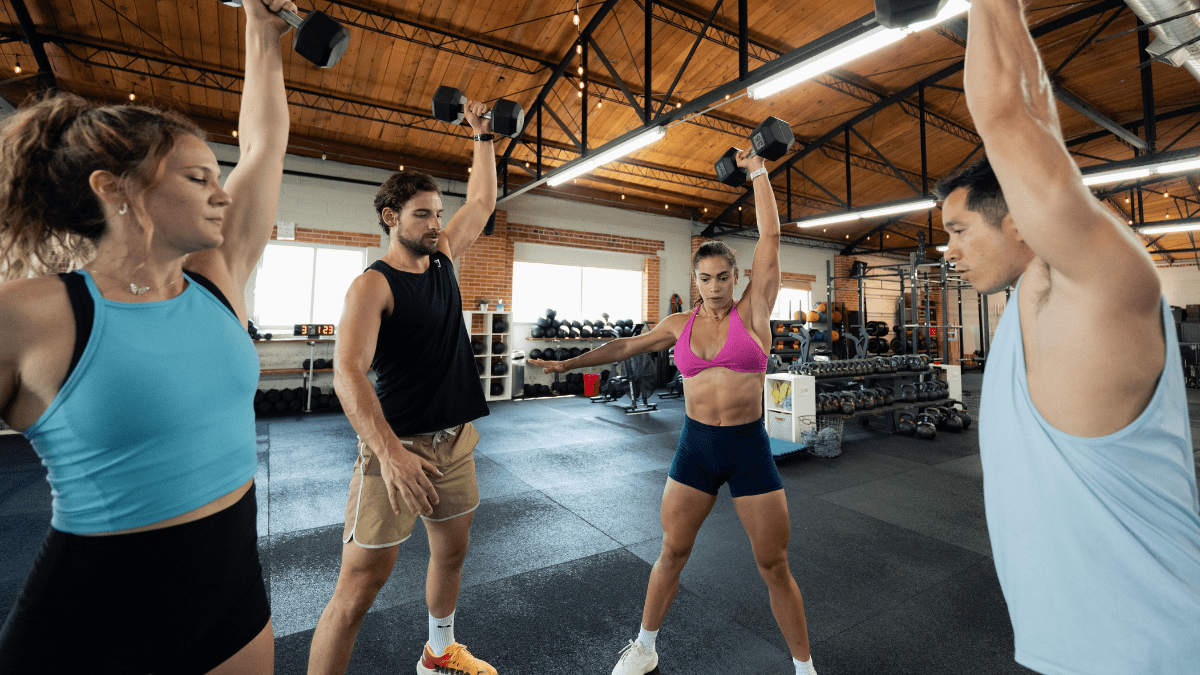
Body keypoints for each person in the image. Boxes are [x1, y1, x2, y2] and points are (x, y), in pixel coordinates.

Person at [0, 1, 292, 672]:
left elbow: (265, 145)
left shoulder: (220, 277)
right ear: (116, 191)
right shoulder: (32, 313)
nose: (222, 195)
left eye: (218, 179)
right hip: (92, 622)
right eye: (198, 179)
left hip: (233, 596)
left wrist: (261, 28)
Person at [935, 1, 1200, 673]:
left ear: (1020, 219)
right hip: (1084, 651)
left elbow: (1007, 117)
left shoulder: (1101, 286)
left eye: (959, 231)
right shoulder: (1039, 296)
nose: (949, 251)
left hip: (1151, 651)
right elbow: (1036, 115)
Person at [529, 149, 818, 675]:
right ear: (696, 277)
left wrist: (758, 172)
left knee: (773, 564)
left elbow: (770, 240)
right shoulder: (678, 324)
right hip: (697, 447)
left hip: (748, 447)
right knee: (671, 553)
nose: (714, 288)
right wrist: (568, 362)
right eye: (705, 278)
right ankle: (644, 646)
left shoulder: (754, 312)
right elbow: (623, 348)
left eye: (723, 277)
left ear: (736, 277)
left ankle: (804, 667)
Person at [307, 103, 498, 675]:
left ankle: (438, 654)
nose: (436, 224)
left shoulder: (441, 261)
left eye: (439, 213)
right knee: (358, 589)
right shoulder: (372, 286)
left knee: (452, 552)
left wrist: (482, 134)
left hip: (456, 442)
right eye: (422, 215)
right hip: (396, 450)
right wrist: (390, 454)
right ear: (391, 217)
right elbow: (348, 371)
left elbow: (484, 202)